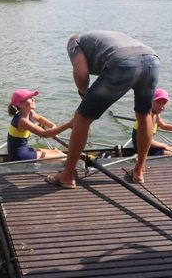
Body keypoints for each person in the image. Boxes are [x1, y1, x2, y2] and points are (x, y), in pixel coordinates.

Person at [45, 31, 160, 188]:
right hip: (152, 61)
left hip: (123, 62)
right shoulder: (100, 38)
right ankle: (139, 171)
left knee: (81, 119)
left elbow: (82, 75)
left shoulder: (74, 42)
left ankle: (67, 175)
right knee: (144, 114)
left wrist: (83, 96)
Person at [7, 88, 72, 162]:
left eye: (32, 97)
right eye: (29, 98)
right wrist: (69, 124)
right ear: (20, 104)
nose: (33, 100)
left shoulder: (30, 113)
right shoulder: (22, 121)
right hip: (19, 156)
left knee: (57, 152)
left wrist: (53, 127)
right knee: (62, 156)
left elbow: (40, 119)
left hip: (24, 150)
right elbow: (44, 134)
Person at [132, 88, 172, 156]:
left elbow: (164, 126)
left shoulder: (156, 114)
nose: (161, 107)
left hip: (149, 146)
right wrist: (163, 145)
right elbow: (146, 141)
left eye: (164, 103)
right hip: (143, 149)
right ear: (150, 101)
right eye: (158, 102)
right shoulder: (148, 117)